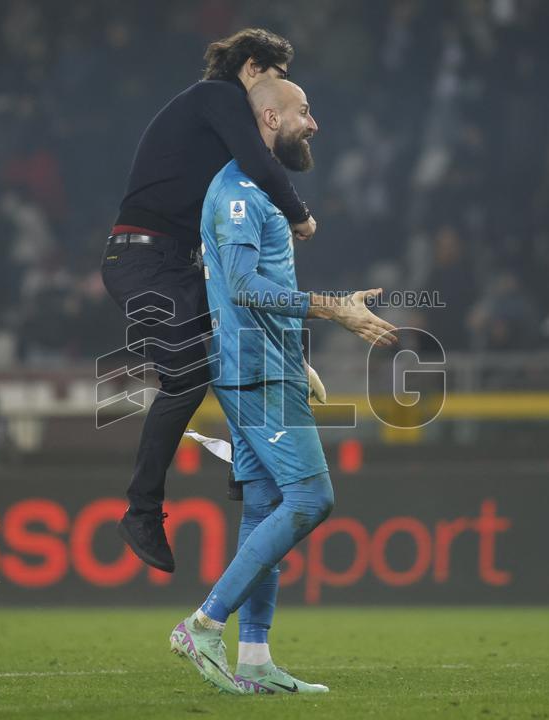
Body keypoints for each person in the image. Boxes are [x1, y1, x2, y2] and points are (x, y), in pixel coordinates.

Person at [169, 79, 397, 695]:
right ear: (269, 116)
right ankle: (204, 623)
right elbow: (243, 286)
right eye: (303, 111)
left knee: (268, 506)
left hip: (268, 364)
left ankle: (255, 658)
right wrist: (334, 311)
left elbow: (254, 290)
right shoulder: (240, 192)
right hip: (254, 372)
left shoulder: (259, 188)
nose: (313, 122)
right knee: (311, 498)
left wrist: (298, 354)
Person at [101, 29, 317, 574]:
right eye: (273, 76)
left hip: (171, 263)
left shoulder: (212, 125)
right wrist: (300, 214)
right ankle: (142, 510)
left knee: (237, 344)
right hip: (142, 261)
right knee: (186, 375)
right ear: (251, 68)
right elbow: (265, 165)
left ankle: (247, 464)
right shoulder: (217, 97)